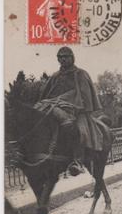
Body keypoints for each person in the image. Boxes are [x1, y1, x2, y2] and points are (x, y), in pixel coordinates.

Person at [34, 46, 103, 176]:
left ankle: (78, 161)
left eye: (66, 57)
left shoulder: (81, 74)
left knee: (81, 131)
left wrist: (76, 106)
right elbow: (46, 94)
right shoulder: (55, 76)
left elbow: (85, 96)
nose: (63, 60)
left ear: (72, 58)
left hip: (77, 110)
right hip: (55, 106)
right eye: (60, 57)